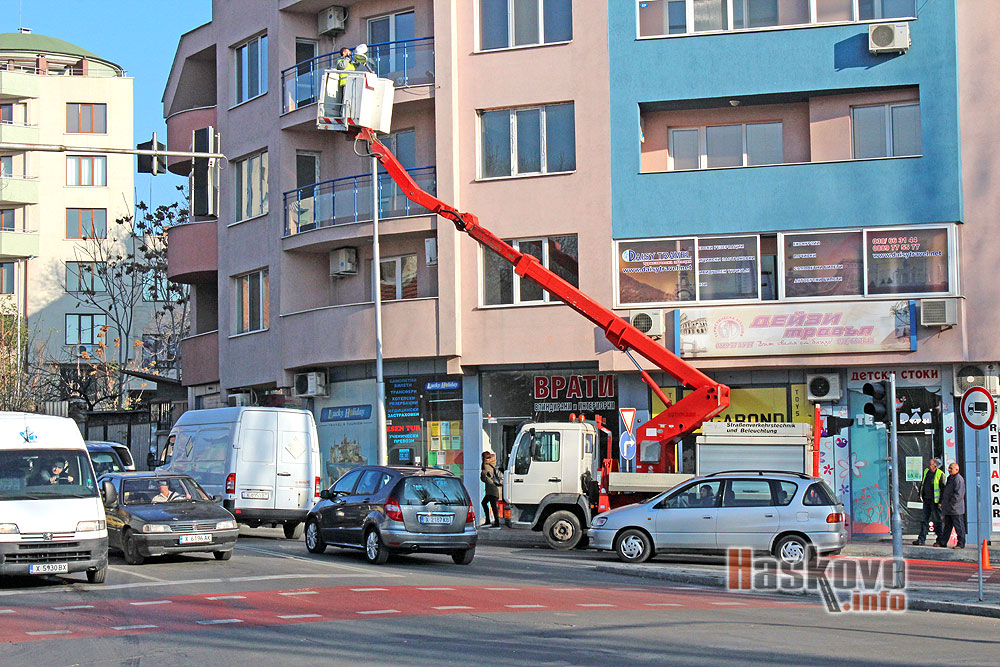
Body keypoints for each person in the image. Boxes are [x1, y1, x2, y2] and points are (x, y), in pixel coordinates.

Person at [913, 457, 945, 545]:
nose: (929, 466)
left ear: (935, 466)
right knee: (924, 520)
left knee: (937, 520)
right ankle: (921, 539)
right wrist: (920, 494)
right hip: (927, 500)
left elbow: (943, 489)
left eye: (931, 464)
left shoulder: (940, 474)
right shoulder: (926, 471)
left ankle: (940, 540)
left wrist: (940, 502)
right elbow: (923, 483)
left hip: (935, 501)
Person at [935, 462, 966, 549]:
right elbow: (946, 492)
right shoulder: (950, 478)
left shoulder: (958, 479)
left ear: (957, 469)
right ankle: (943, 542)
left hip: (955, 509)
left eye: (951, 468)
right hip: (948, 508)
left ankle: (961, 543)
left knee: (959, 527)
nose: (949, 470)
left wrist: (952, 505)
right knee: (947, 526)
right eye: (949, 468)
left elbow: (958, 494)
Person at [480, 451, 502, 528]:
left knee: (492, 506)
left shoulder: (486, 466)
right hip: (492, 489)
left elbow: (485, 478)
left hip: (492, 489)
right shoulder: (492, 464)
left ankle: (496, 523)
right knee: (485, 503)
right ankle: (489, 521)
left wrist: (483, 474)